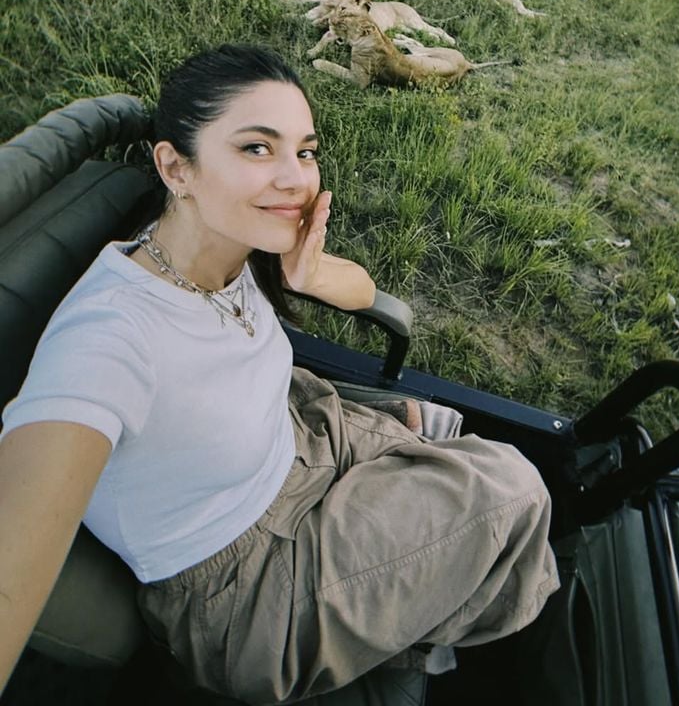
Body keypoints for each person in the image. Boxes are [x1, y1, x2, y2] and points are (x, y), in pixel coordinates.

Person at [0, 44, 559, 703]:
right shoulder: (108, 340)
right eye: (257, 149)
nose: (296, 179)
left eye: (305, 150)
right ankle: (435, 641)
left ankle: (418, 608)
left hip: (299, 437)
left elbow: (363, 288)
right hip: (254, 579)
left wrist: (312, 274)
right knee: (519, 491)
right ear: (175, 167)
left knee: (457, 446)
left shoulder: (233, 239)